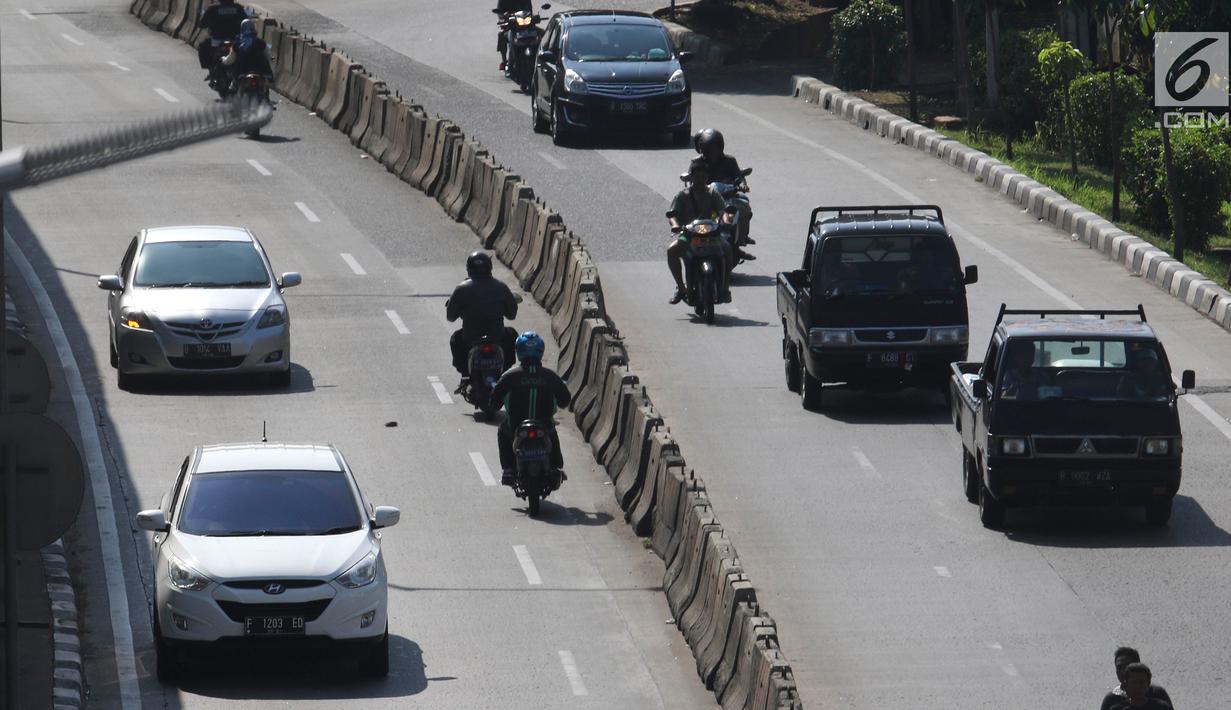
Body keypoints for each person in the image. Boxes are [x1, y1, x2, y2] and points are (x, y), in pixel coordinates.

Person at [489, 331, 571, 486]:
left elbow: (494, 403)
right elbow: (565, 401)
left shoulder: (509, 376)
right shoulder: (550, 376)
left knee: (502, 432)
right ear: (541, 351)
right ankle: (555, 466)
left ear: (518, 351)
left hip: (515, 427)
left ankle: (508, 469)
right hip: (544, 426)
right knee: (552, 432)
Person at [667, 158, 736, 305]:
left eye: (703, 177)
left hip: (712, 235)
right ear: (691, 177)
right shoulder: (682, 196)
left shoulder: (713, 194)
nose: (700, 180)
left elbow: (722, 211)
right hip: (688, 236)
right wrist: (675, 225)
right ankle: (681, 288)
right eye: (696, 176)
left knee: (728, 249)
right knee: (672, 251)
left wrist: (726, 221)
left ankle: (724, 288)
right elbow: (672, 214)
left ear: (707, 178)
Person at [445, 251, 519, 386]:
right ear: (489, 267)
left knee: (455, 339)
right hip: (497, 335)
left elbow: (450, 317)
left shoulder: (461, 288)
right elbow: (512, 315)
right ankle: (504, 374)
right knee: (512, 335)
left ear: (469, 268)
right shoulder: (501, 287)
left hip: (470, 337)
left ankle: (465, 375)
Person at [693, 128, 755, 255]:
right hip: (705, 197)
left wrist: (743, 185)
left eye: (716, 147)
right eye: (710, 148)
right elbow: (691, 177)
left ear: (721, 146)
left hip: (727, 196)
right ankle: (691, 242)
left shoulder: (730, 161)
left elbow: (739, 177)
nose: (713, 151)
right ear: (703, 148)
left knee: (744, 205)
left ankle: (740, 240)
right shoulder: (697, 162)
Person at [1101, 648, 1174, 710]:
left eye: (1127, 666)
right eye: (1119, 667)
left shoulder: (1157, 694)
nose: (1123, 671)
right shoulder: (1111, 699)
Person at [196, 0, 248, 72]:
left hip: (217, 40)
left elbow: (202, 23)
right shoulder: (238, 8)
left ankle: (210, 68)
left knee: (202, 47)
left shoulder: (213, 8)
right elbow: (246, 22)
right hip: (234, 40)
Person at [220, 18, 273, 85]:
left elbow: (230, 59)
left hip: (242, 70)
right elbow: (268, 56)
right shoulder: (260, 42)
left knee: (233, 85)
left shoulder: (237, 44)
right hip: (261, 70)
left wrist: (223, 60)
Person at [1106, 663, 1174, 709]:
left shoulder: (1162, 707)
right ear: (1126, 685)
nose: (1138, 687)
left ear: (1148, 684)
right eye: (1134, 682)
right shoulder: (1116, 709)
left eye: (1141, 682)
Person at [494, 0, 533, 69]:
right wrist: (504, 16)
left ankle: (540, 57)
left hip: (525, 24)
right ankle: (505, 61)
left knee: (540, 33)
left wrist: (532, 18)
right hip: (511, 25)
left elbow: (530, 10)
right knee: (501, 35)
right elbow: (500, 12)